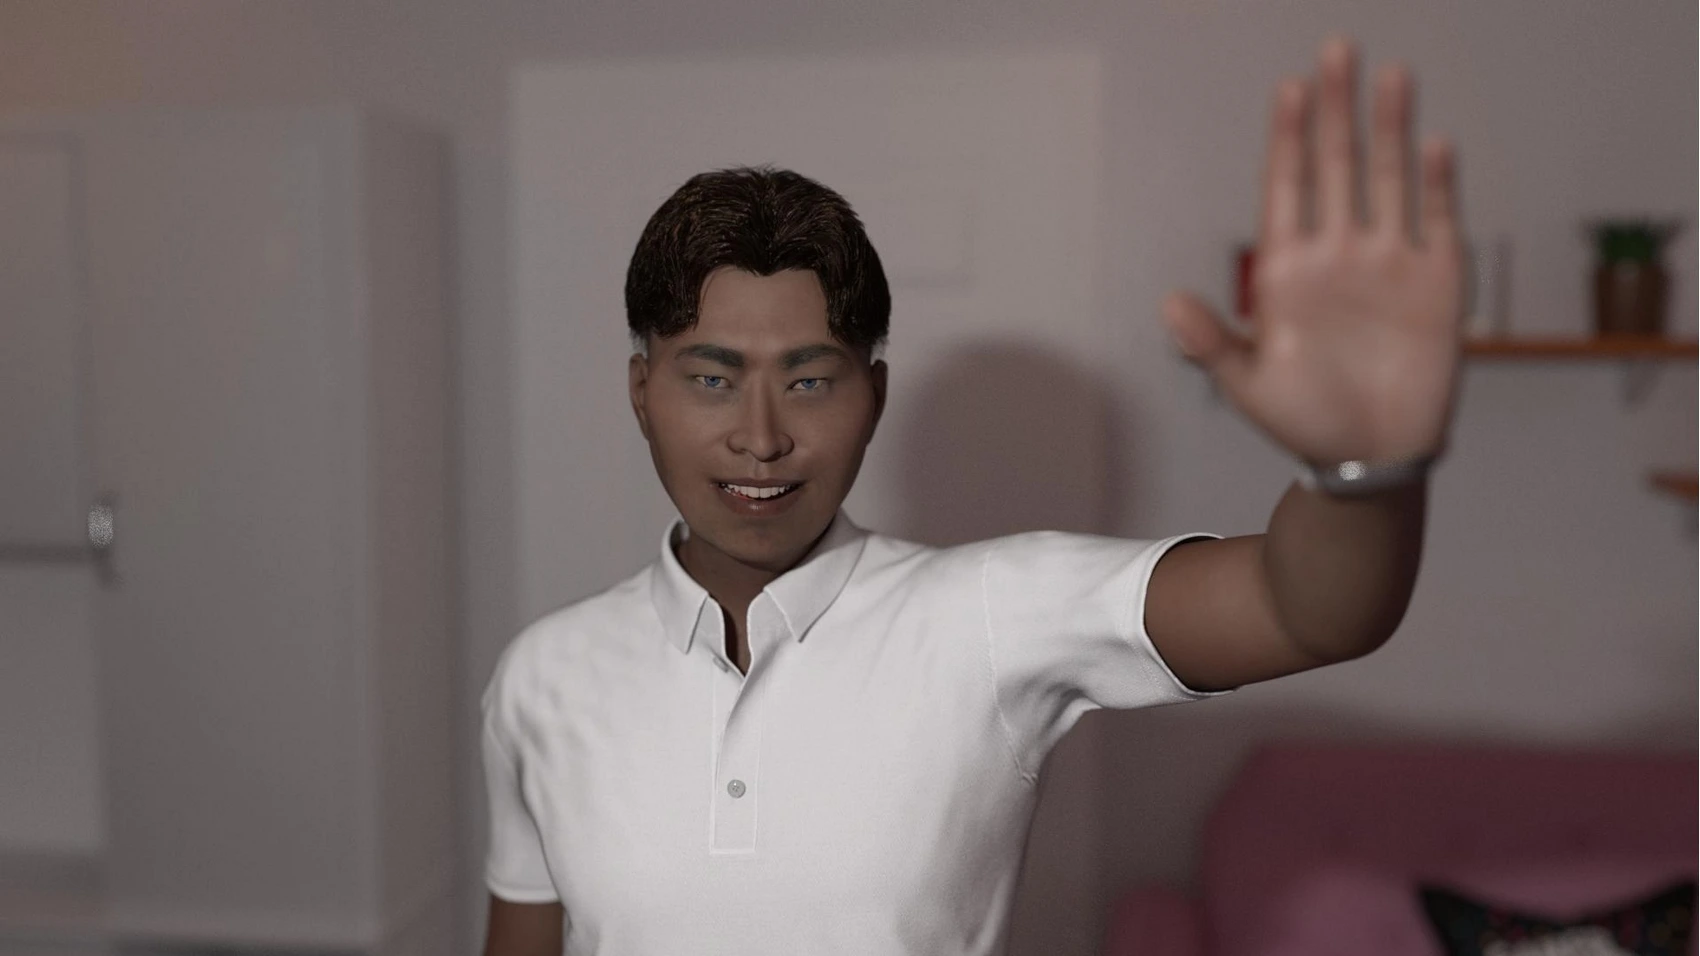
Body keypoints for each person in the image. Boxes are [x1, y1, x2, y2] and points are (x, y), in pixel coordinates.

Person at [480, 33, 1463, 956]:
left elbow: (1303, 610)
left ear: (873, 398)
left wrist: (1362, 471)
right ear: (640, 391)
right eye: (710, 377)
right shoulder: (541, 676)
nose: (762, 433)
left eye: (810, 379)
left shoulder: (985, 615)